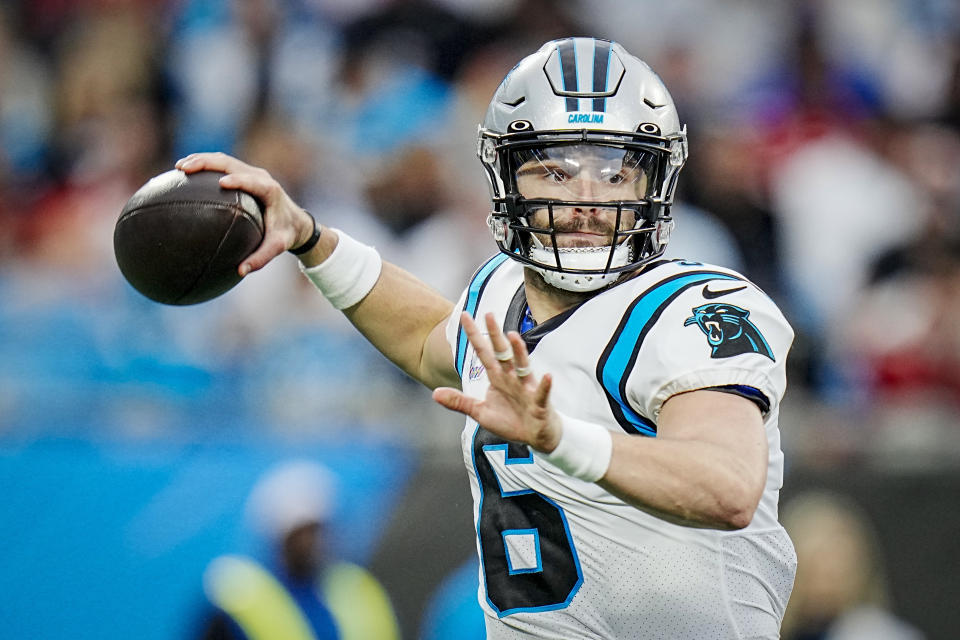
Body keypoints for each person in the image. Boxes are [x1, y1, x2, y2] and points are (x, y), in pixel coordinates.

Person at [177, 37, 797, 638]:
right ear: (506, 178)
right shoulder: (501, 290)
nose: (586, 201)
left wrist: (560, 438)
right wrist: (310, 237)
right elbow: (427, 338)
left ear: (654, 184)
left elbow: (726, 486)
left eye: (614, 173)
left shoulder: (695, 309)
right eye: (555, 171)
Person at [195, 460, 400, 640]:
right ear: (278, 536)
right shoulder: (240, 597)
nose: (314, 542)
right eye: (303, 533)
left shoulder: (358, 593)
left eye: (319, 530)